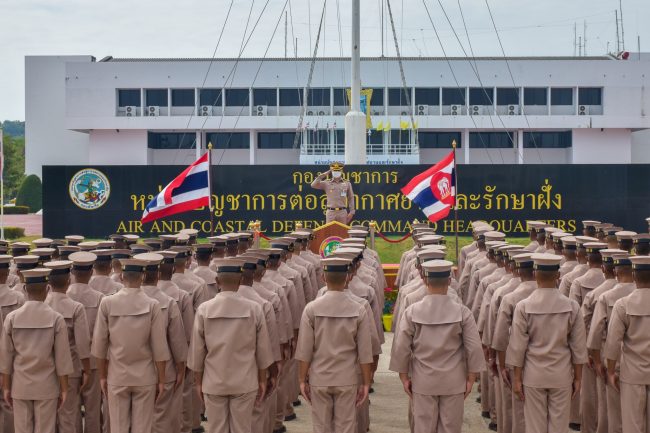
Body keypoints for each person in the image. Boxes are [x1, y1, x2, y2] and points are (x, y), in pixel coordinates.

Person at [390, 260, 485, 433]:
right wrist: (471, 378)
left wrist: (403, 377)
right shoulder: (463, 312)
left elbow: (401, 347)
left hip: (423, 380)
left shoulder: (412, 312)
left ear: (425, 280)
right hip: (453, 381)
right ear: (449, 281)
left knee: (424, 428)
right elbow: (474, 348)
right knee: (451, 427)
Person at [188, 259, 275, 433]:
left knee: (216, 428)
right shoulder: (254, 309)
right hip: (245, 380)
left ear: (217, 282)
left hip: (214, 380)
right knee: (242, 428)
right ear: (241, 280)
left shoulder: (205, 309)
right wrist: (262, 378)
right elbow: (263, 351)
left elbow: (197, 351)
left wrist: (198, 382)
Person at [507, 253, 588, 433]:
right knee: (559, 427)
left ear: (535, 274)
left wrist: (517, 378)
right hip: (562, 374)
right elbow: (578, 346)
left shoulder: (523, 306)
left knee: (535, 427)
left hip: (533, 374)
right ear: (558, 276)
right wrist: (578, 377)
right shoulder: (572, 306)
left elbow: (518, 347)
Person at [91, 258, 170, 433]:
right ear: (142, 277)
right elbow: (159, 346)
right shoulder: (152, 305)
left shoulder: (107, 303)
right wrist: (162, 379)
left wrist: (103, 376)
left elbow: (100, 345)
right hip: (145, 376)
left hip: (117, 375)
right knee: (142, 429)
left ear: (121, 277)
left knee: (118, 428)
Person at [295, 258, 374, 433]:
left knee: (321, 427)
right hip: (347, 378)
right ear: (347, 278)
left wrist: (301, 379)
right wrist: (366, 382)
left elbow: (304, 349)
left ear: (323, 278)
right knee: (346, 427)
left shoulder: (311, 309)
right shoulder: (358, 309)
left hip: (320, 377)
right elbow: (365, 352)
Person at [0, 268, 74, 433]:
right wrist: (64, 388)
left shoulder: (11, 318)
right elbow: (62, 358)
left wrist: (6, 386)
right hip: (47, 385)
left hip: (20, 385)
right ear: (47, 288)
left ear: (25, 289)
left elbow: (5, 356)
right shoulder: (56, 318)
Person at [43, 260, 92, 433]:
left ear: (48, 283)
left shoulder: (43, 307)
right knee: (68, 417)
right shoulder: (76, 307)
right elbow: (82, 344)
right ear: (69, 281)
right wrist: (87, 370)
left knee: (46, 420)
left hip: (45, 370)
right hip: (70, 370)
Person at [605, 256, 650, 433]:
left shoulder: (622, 305)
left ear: (633, 275)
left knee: (632, 427)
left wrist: (610, 371)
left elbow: (613, 342)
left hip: (632, 374)